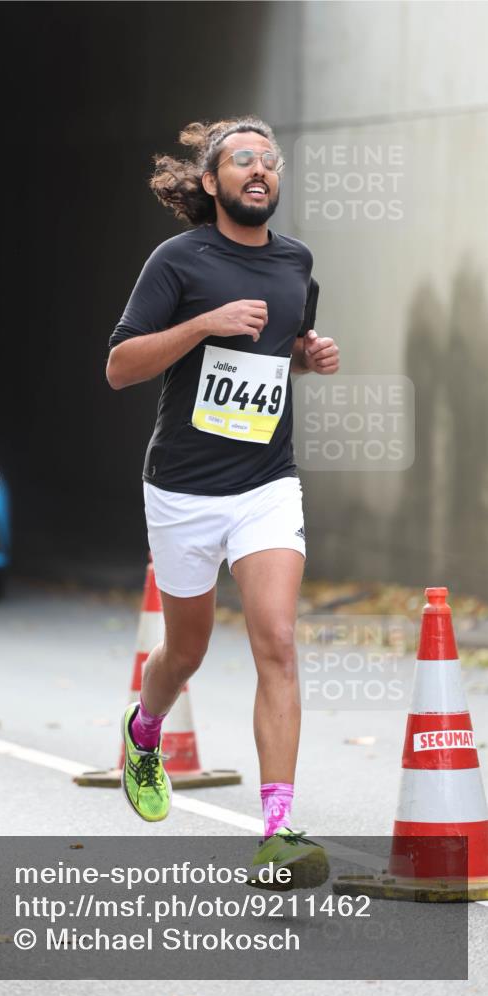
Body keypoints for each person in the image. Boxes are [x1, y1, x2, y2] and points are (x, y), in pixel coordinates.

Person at [106, 118, 339, 885]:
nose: (259, 169)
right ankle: (144, 732)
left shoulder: (296, 263)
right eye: (242, 159)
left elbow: (281, 354)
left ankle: (276, 833)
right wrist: (203, 323)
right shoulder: (177, 260)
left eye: (269, 159)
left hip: (267, 483)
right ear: (210, 182)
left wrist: (309, 356)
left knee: (275, 638)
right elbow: (120, 366)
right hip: (181, 488)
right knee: (186, 652)